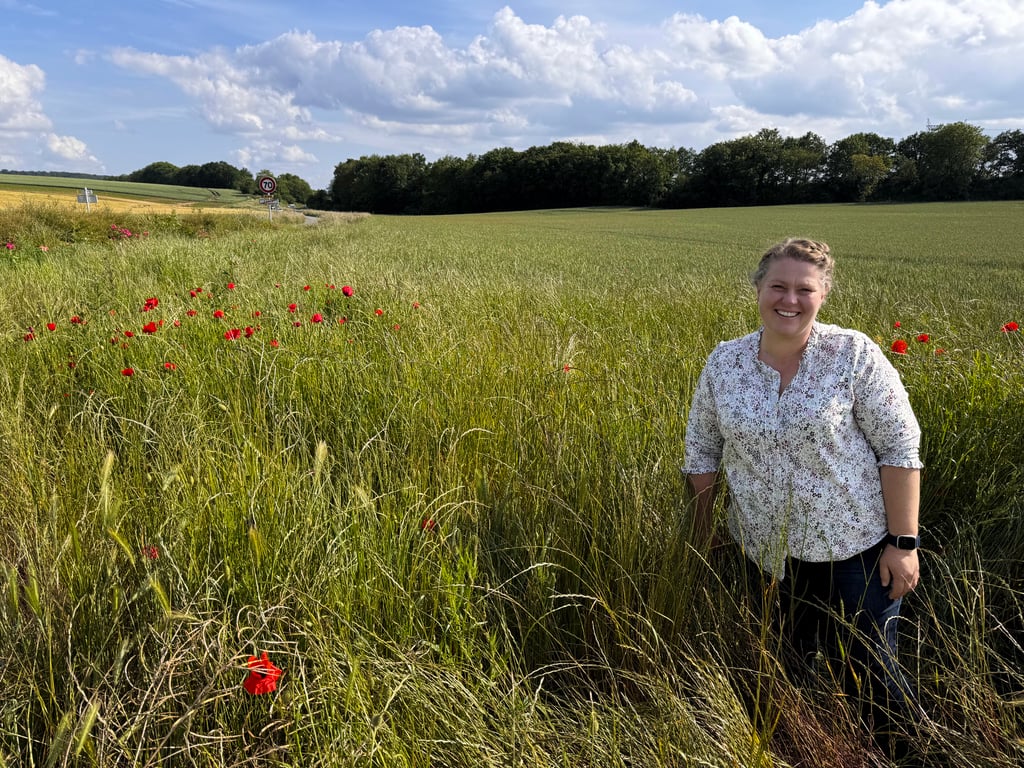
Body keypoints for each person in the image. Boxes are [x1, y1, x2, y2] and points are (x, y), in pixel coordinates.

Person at [683, 237, 924, 745]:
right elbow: (702, 453)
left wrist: (903, 544)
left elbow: (899, 448)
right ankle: (796, 746)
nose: (789, 300)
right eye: (778, 286)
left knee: (873, 666)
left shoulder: (853, 354)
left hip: (855, 548)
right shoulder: (724, 364)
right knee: (783, 661)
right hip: (765, 550)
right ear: (757, 289)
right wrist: (704, 530)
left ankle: (896, 749)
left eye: (803, 289)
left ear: (823, 294)